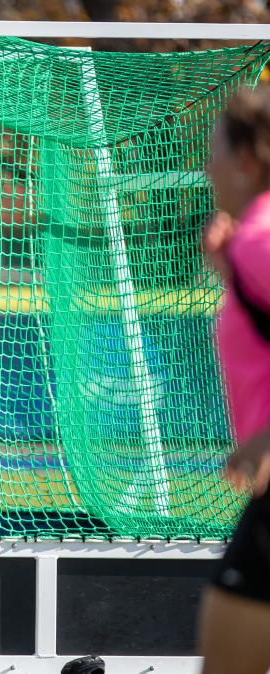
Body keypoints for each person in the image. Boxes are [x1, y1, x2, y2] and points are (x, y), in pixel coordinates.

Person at [196, 86, 270, 674]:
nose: (205, 165)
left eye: (213, 149)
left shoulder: (261, 241)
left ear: (247, 160)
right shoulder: (249, 241)